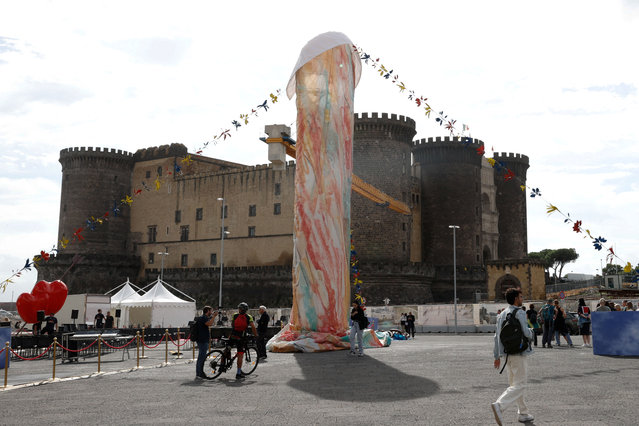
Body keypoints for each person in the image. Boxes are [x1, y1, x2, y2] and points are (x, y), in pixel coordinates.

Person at [491, 288, 534, 425]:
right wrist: (532, 332)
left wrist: (497, 355)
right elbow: (526, 333)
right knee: (520, 384)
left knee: (515, 384)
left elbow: (497, 336)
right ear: (516, 298)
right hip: (519, 352)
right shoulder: (520, 312)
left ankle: (523, 413)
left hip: (507, 354)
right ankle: (500, 405)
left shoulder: (502, 314)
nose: (522, 299)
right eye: (521, 297)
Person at [230, 302, 258, 380]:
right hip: (241, 338)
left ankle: (222, 365)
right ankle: (238, 373)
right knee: (240, 355)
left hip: (232, 336)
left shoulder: (234, 315)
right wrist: (256, 336)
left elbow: (232, 325)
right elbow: (253, 327)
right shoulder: (248, 317)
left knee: (226, 350)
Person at [195, 306, 218, 379]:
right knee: (202, 357)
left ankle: (199, 373)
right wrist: (214, 316)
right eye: (210, 311)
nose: (211, 312)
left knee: (201, 357)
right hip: (202, 340)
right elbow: (209, 323)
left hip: (202, 339)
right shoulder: (203, 318)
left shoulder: (203, 317)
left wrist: (212, 316)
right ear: (207, 311)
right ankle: (200, 373)